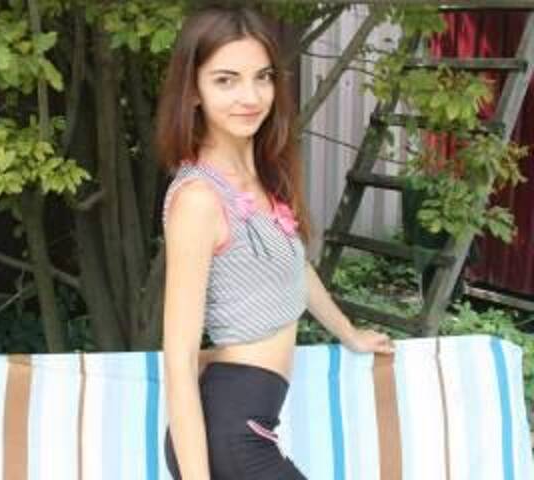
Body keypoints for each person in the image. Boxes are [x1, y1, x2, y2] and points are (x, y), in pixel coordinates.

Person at [155, 4, 395, 479]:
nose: (250, 97)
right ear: (194, 90)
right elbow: (179, 360)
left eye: (262, 77)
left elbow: (295, 267)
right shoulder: (198, 200)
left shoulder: (260, 179)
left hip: (248, 424)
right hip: (226, 436)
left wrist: (349, 332)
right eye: (226, 80)